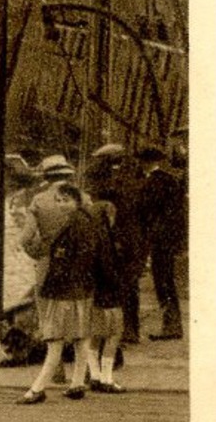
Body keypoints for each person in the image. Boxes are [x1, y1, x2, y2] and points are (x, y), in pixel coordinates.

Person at [17, 184, 96, 404]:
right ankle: (77, 383)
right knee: (81, 336)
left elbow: (26, 240)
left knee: (54, 337)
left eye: (65, 201)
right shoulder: (83, 219)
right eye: (59, 200)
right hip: (80, 290)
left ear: (76, 201)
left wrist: (44, 257)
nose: (61, 205)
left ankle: (38, 388)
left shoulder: (72, 222)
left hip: (64, 289)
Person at [135, 146, 185, 341]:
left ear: (145, 162)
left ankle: (171, 326)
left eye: (141, 161)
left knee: (163, 281)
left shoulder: (153, 183)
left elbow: (147, 211)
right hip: (168, 238)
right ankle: (171, 325)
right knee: (166, 280)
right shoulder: (170, 180)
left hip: (158, 239)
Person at [84, 198, 128, 394]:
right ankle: (107, 378)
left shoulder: (90, 236)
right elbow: (109, 269)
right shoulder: (106, 240)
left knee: (94, 335)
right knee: (114, 334)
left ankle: (94, 374)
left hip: (93, 294)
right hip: (109, 293)